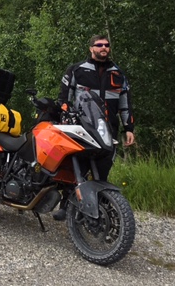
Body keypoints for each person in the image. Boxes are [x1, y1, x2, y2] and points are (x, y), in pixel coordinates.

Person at [52, 34, 135, 220]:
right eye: (99, 45)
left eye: (106, 45)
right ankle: (66, 205)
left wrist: (129, 128)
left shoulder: (119, 74)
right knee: (76, 168)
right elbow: (64, 98)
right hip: (83, 127)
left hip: (109, 130)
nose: (103, 48)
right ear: (91, 48)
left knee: (103, 169)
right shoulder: (76, 70)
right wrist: (64, 115)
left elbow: (126, 104)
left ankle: (99, 210)